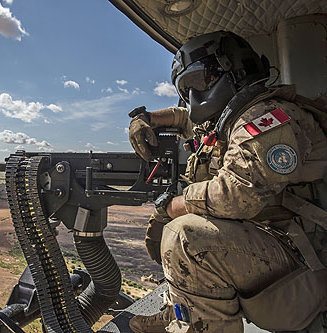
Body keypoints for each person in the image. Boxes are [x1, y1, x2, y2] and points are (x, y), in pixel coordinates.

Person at [127, 31, 327, 333]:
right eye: (185, 90)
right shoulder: (233, 119)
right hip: (285, 255)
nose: (193, 97)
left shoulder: (269, 117)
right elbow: (185, 118)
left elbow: (236, 194)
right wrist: (145, 118)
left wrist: (172, 207)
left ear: (235, 70)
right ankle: (180, 313)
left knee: (186, 237)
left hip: (307, 276)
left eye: (198, 83)